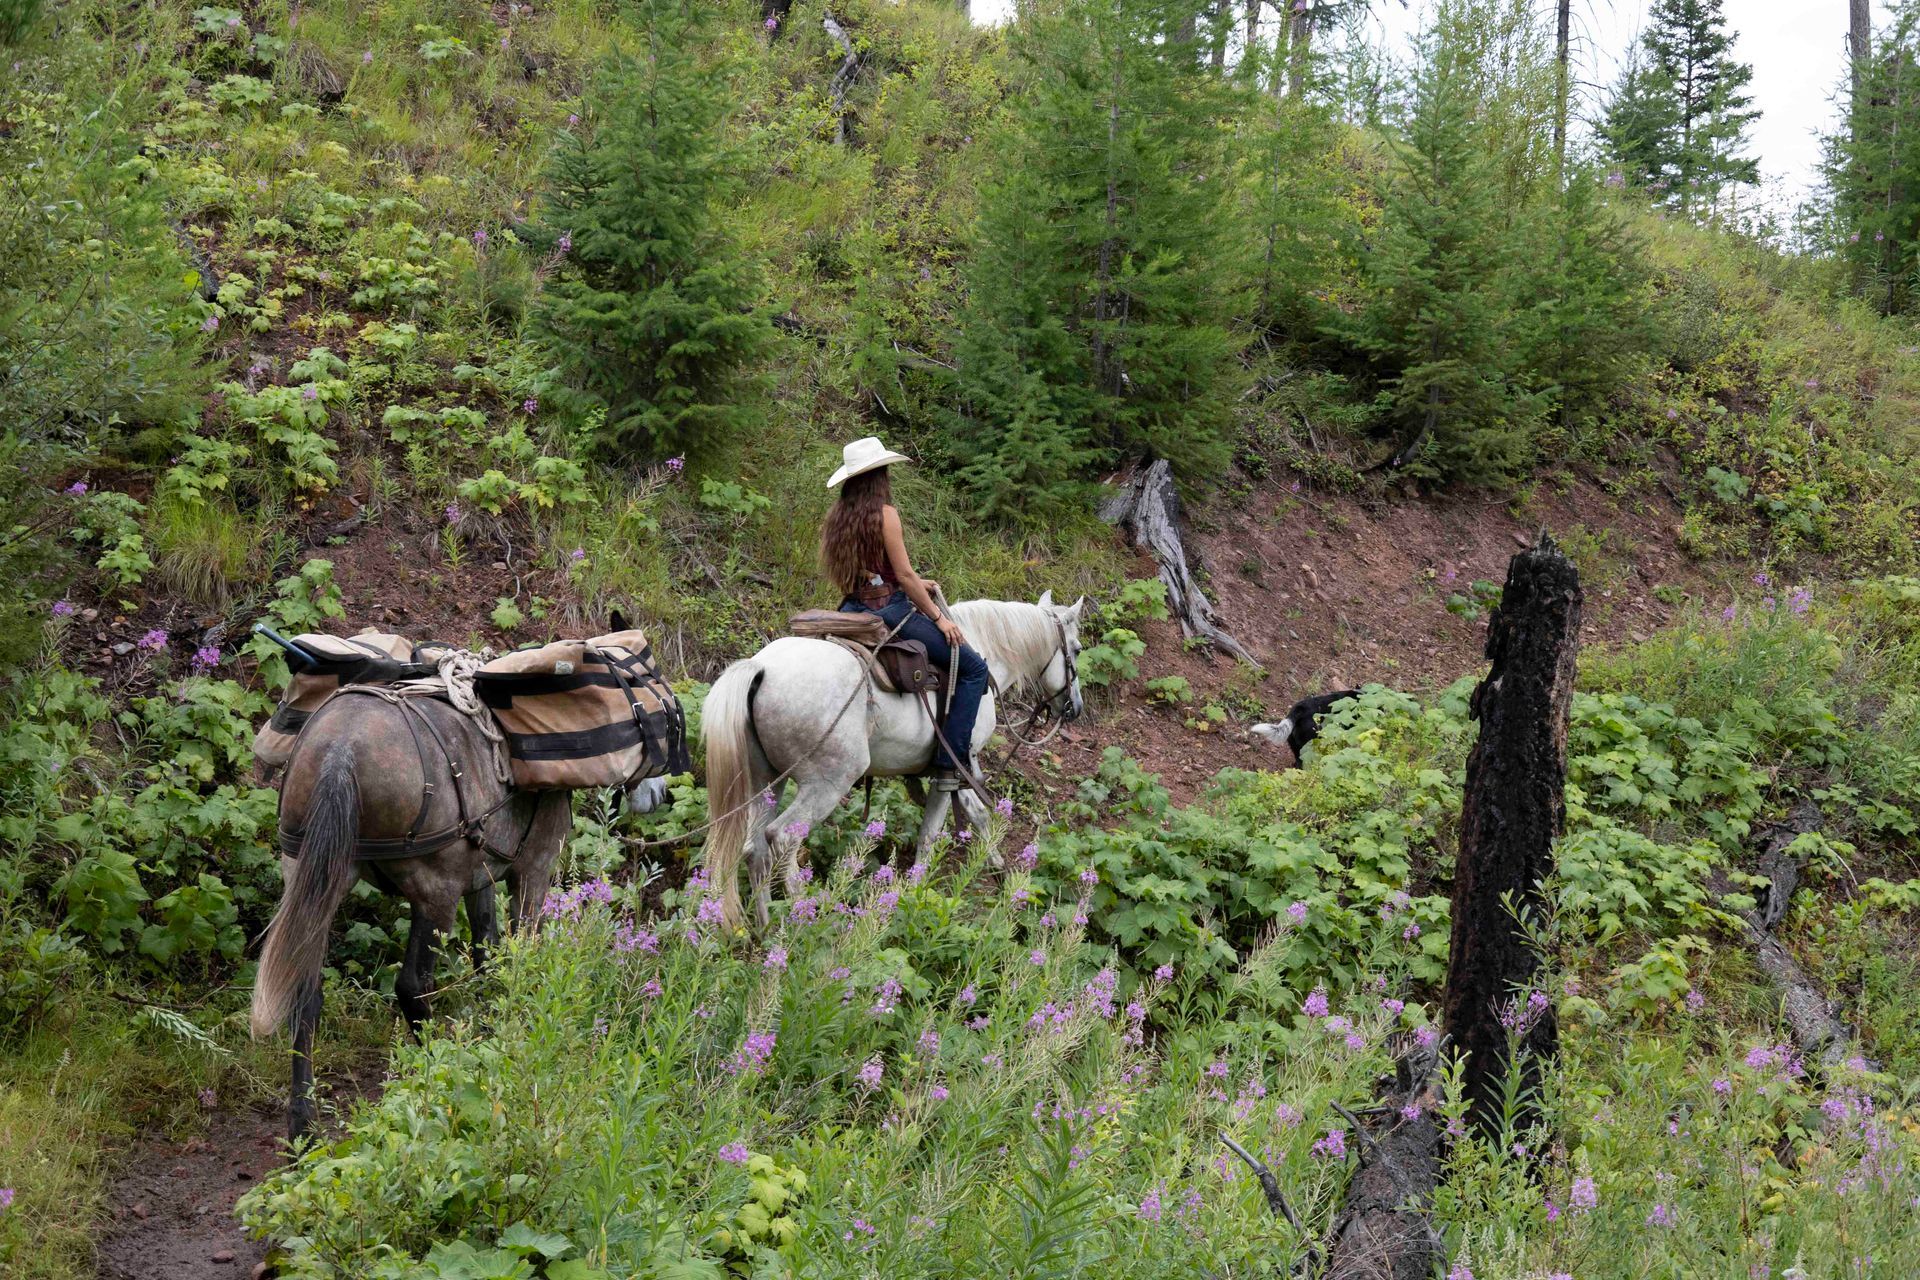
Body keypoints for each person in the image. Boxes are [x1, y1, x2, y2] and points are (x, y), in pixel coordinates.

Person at [821, 437, 989, 790]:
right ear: (879, 476)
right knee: (974, 669)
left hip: (852, 607)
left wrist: (907, 583)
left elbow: (870, 573)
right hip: (889, 611)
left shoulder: (838, 516)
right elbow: (906, 575)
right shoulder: (885, 514)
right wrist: (940, 618)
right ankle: (950, 763)